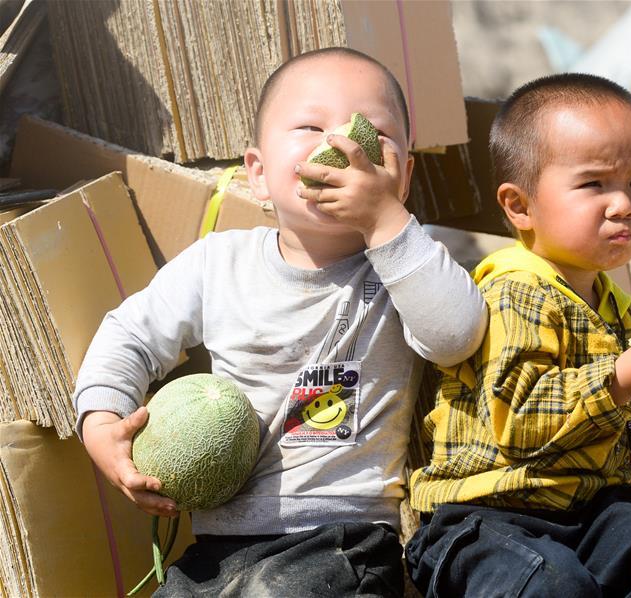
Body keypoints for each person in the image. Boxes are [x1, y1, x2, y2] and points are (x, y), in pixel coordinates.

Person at [74, 47, 487, 597]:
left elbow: (456, 335)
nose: (341, 145)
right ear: (260, 174)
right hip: (217, 542)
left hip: (343, 542)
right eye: (311, 126)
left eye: (374, 135)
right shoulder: (217, 262)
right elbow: (129, 335)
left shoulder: (405, 267)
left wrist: (388, 221)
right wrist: (102, 425)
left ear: (404, 177)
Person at [405, 73, 631, 597]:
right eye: (594, 184)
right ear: (520, 206)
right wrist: (616, 382)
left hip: (589, 511)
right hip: (487, 519)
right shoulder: (517, 292)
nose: (624, 204)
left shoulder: (616, 307)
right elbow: (519, 423)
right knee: (550, 583)